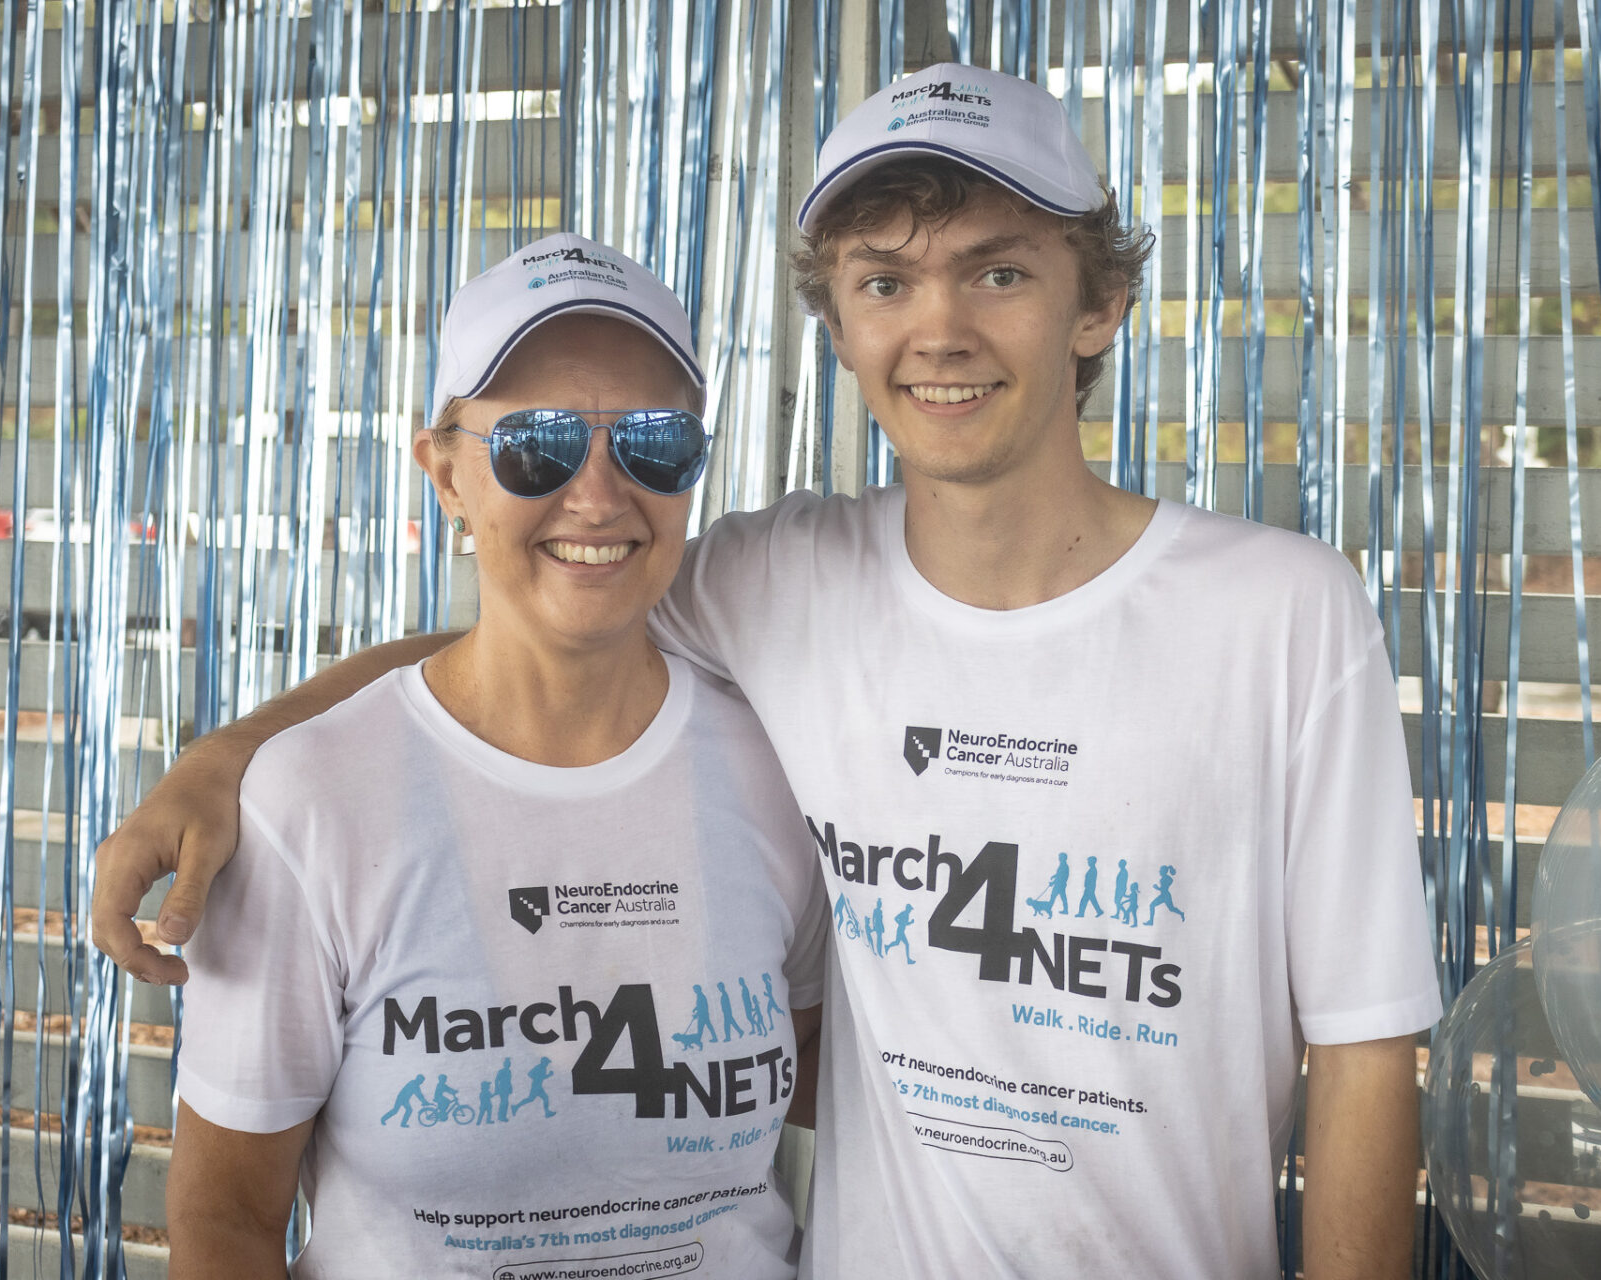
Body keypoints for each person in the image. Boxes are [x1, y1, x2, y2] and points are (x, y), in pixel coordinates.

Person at [103, 65, 1439, 1278]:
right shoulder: (782, 580)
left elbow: (1367, 1053)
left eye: (998, 273)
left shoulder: (1286, 618)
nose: (939, 330)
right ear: (839, 327)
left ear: (1100, 305)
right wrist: (229, 761)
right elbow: (540, 619)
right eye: (885, 283)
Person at [161, 234, 826, 1278]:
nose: (598, 494)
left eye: (653, 442)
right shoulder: (312, 800)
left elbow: (841, 1076)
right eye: (536, 444)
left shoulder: (776, 766)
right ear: (446, 474)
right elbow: (225, 1221)